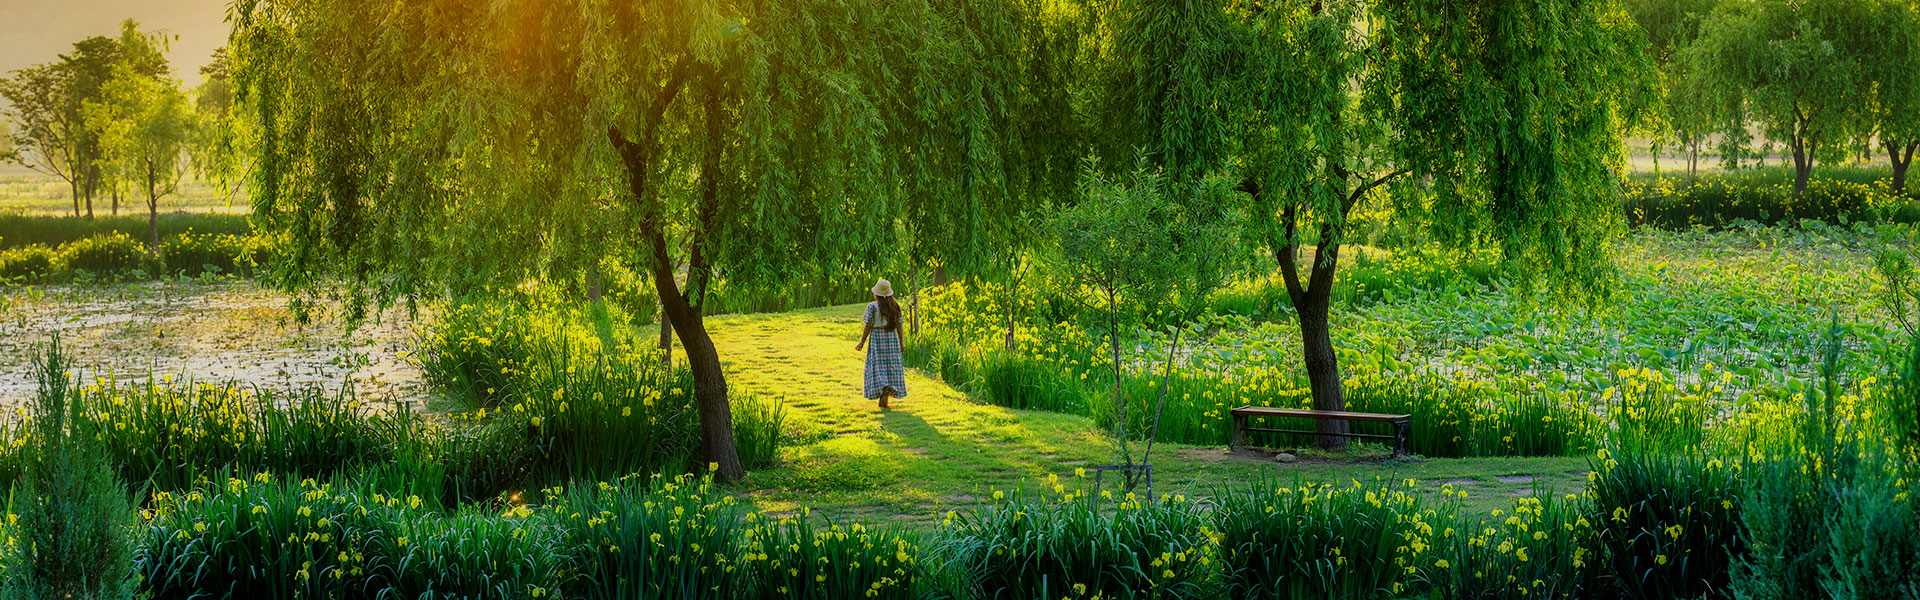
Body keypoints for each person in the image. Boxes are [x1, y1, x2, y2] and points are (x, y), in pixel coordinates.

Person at [855, 278, 908, 408]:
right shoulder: (896, 307)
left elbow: (868, 325)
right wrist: (902, 343)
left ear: (876, 294)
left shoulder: (872, 307)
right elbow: (899, 326)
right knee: (891, 366)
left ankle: (882, 388)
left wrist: (862, 341)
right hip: (892, 338)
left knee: (877, 365)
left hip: (877, 339)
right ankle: (888, 389)